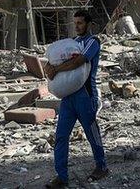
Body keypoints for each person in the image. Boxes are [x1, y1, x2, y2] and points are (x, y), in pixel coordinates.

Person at [43, 10, 108, 188]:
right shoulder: (72, 43)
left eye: (80, 23)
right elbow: (52, 60)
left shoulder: (92, 42)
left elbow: (79, 61)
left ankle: (101, 166)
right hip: (68, 97)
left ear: (88, 24)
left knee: (91, 133)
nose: (77, 26)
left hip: (85, 96)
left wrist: (56, 69)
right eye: (75, 23)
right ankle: (61, 176)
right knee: (61, 136)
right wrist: (48, 67)